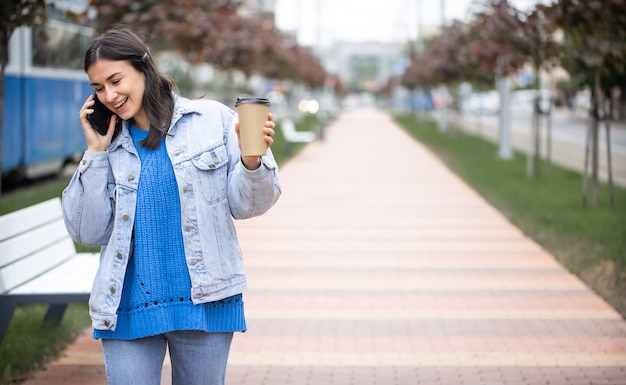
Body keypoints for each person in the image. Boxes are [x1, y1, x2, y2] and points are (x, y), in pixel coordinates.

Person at [62, 26, 281, 385]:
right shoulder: (109, 143)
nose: (110, 95)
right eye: (98, 88)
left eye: (116, 80)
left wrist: (252, 162)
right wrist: (94, 154)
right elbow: (87, 232)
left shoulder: (213, 121)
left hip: (204, 302)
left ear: (143, 68)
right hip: (127, 309)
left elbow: (248, 206)